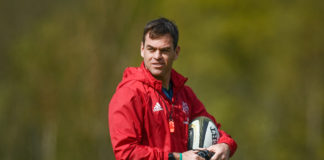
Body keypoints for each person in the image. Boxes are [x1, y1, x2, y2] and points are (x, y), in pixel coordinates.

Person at [109, 17, 237, 160]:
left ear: (176, 52)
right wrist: (178, 157)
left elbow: (213, 128)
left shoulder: (185, 94)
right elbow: (126, 153)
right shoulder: (129, 94)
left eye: (164, 50)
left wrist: (226, 145)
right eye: (151, 49)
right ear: (142, 49)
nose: (157, 56)